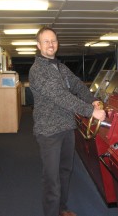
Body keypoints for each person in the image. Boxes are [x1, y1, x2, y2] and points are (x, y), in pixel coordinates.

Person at [29, 27, 106, 216]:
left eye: (53, 40)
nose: (51, 44)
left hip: (66, 128)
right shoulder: (38, 70)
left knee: (65, 172)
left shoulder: (60, 68)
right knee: (52, 179)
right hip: (49, 132)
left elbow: (78, 84)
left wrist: (91, 99)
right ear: (39, 45)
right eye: (46, 41)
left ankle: (61, 209)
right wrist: (91, 111)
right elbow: (61, 96)